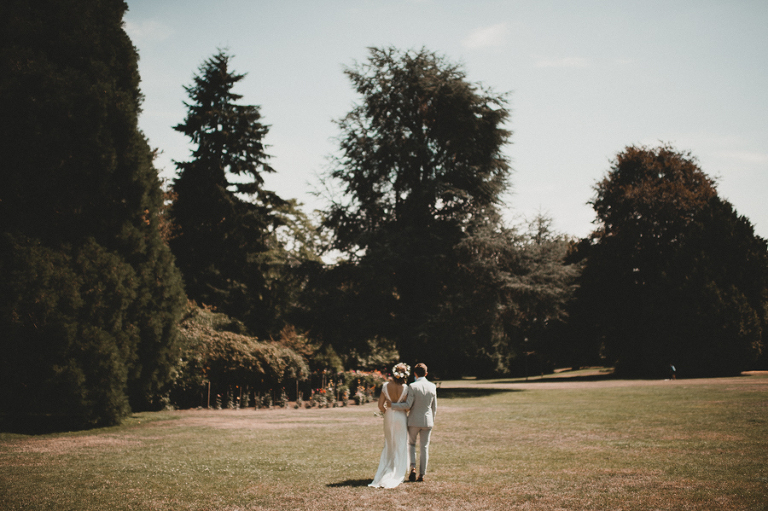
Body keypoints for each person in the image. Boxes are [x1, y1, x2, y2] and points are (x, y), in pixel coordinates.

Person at [389, 362, 437, 482]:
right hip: (428, 421)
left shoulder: (413, 386)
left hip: (414, 421)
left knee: (411, 445)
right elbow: (434, 407)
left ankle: (413, 468)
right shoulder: (432, 386)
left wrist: (393, 405)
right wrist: (431, 419)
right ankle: (422, 474)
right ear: (426, 373)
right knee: (424, 447)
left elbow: (408, 405)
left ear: (415, 373)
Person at [369, 363, 411, 488]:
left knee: (389, 443)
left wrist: (386, 413)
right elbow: (407, 407)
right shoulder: (406, 388)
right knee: (401, 442)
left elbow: (380, 405)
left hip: (389, 416)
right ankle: (398, 470)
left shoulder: (385, 386)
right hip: (401, 416)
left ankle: (388, 467)